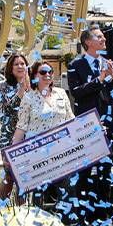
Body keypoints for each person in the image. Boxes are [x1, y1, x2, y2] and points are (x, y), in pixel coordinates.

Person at [65, 27, 113, 226]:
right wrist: (99, 79)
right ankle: (82, 220)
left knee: (105, 174)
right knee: (84, 174)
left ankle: (103, 218)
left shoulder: (108, 64)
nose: (104, 39)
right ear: (88, 42)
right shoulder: (75, 65)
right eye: (99, 37)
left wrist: (112, 76)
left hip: (107, 126)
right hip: (87, 128)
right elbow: (77, 93)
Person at [12, 60, 76, 216]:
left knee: (67, 188)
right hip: (38, 153)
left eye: (50, 72)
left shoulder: (61, 94)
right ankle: (39, 225)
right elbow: (21, 127)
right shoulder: (28, 98)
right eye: (43, 72)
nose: (47, 75)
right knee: (40, 192)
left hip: (62, 150)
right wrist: (13, 154)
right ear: (35, 76)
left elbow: (71, 120)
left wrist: (91, 128)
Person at [0, 53, 31, 199]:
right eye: (16, 64)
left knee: (26, 177)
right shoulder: (4, 87)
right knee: (10, 175)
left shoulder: (34, 86)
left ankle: (23, 212)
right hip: (10, 137)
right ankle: (1, 209)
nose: (20, 67)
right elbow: (9, 109)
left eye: (22, 63)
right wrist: (21, 89)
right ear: (10, 68)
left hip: (29, 136)